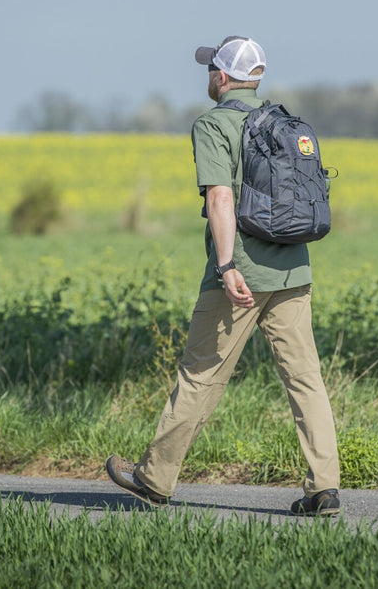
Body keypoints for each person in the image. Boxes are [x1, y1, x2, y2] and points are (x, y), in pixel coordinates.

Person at [106, 36, 342, 517]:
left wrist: (228, 264)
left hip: (240, 276)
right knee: (305, 379)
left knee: (200, 375)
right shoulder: (281, 122)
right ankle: (325, 488)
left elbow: (220, 197)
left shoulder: (213, 124)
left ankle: (154, 479)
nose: (208, 76)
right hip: (293, 269)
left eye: (210, 69)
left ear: (221, 76)